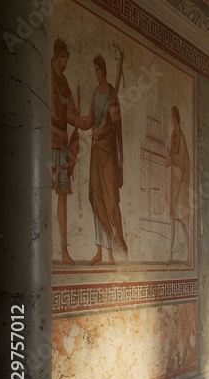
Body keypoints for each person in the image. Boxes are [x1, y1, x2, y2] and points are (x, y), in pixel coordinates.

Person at [83, 53, 127, 265]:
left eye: (98, 70)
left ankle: (111, 251)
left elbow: (117, 125)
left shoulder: (111, 93)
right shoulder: (95, 93)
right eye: (94, 70)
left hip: (109, 150)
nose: (96, 73)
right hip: (96, 148)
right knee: (96, 195)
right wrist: (73, 119)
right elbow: (90, 119)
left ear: (104, 70)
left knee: (110, 199)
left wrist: (121, 158)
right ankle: (99, 251)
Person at [50, 38, 81, 265]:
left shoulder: (63, 80)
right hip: (46, 138)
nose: (65, 63)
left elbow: (70, 108)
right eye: (63, 58)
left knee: (62, 194)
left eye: (67, 59)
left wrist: (77, 114)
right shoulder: (47, 74)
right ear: (56, 55)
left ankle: (63, 251)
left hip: (61, 142)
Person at [164, 106, 191, 263]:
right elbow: (171, 159)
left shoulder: (180, 135)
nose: (172, 120)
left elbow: (181, 158)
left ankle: (189, 254)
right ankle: (170, 255)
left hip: (181, 181)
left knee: (182, 220)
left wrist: (172, 158)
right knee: (172, 218)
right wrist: (169, 159)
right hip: (174, 180)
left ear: (176, 118)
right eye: (171, 117)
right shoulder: (173, 134)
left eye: (173, 117)